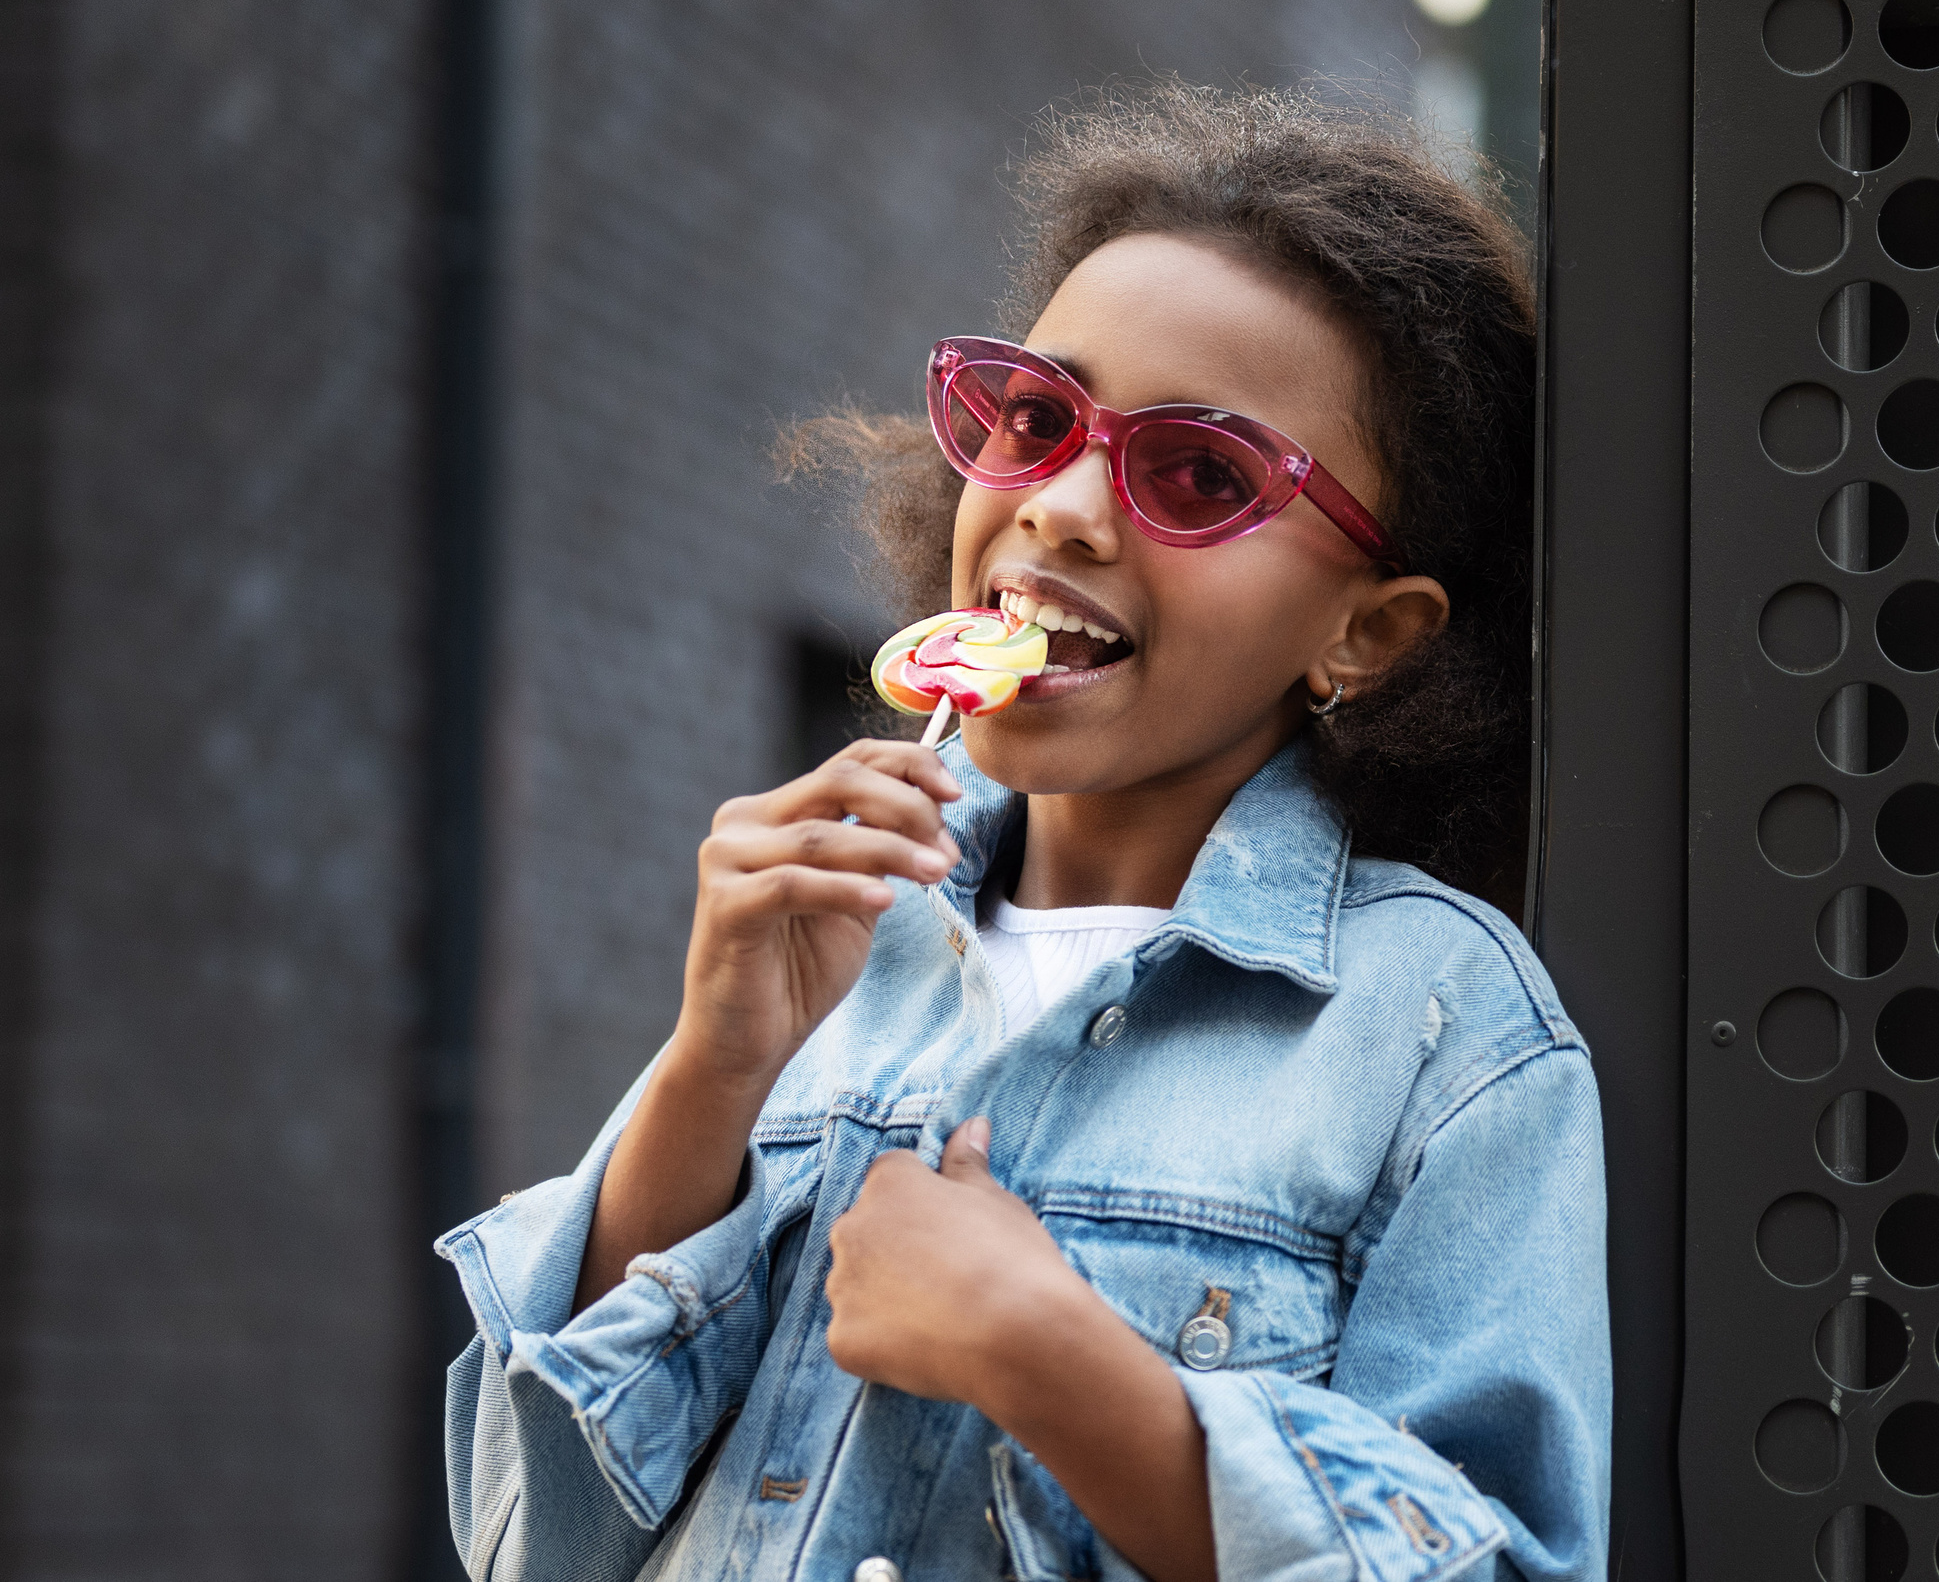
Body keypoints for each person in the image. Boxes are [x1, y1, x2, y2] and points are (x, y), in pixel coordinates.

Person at [438, 81, 1609, 1582]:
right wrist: (709, 1074)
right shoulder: (831, 948)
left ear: (1367, 632)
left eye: (1199, 475)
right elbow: (529, 1542)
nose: (1057, 505)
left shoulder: (1441, 1035)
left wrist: (1053, 1360)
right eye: (1036, 419)